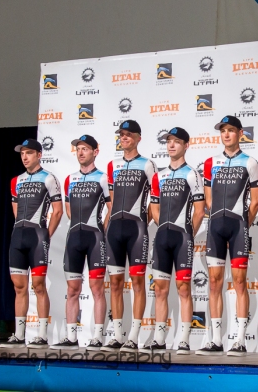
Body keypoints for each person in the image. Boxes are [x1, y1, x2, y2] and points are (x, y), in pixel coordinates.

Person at [197, 115, 258, 356]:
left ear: (240, 133)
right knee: (214, 283)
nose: (226, 134)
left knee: (239, 283)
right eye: (223, 130)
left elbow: (255, 203)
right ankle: (215, 339)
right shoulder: (210, 162)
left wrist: (243, 224)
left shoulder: (250, 162)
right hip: (215, 227)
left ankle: (241, 340)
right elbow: (207, 200)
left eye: (231, 130)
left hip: (238, 227)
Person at [50, 135, 111, 351]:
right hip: (73, 239)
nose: (81, 152)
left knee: (96, 290)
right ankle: (71, 337)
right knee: (72, 289)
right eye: (78, 149)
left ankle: (97, 337)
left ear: (95, 151)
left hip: (95, 239)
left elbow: (111, 208)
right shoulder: (70, 179)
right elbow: (68, 210)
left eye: (85, 148)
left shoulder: (103, 178)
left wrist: (101, 230)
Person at [101, 120, 157, 352]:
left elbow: (155, 201)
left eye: (128, 135)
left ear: (138, 138)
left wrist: (144, 224)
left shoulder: (148, 164)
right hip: (114, 229)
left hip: (137, 229)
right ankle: (117, 335)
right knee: (114, 283)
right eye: (121, 135)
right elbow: (112, 202)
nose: (124, 138)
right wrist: (106, 227)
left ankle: (134, 335)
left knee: (137, 282)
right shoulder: (112, 165)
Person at [148, 127, 205, 354]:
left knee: (183, 289)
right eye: (168, 141)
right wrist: (165, 227)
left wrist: (188, 233)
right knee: (160, 289)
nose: (171, 145)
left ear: (186, 146)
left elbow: (199, 211)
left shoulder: (192, 174)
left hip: (183, 237)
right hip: (162, 237)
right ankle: (159, 338)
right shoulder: (158, 176)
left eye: (176, 142)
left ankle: (184, 339)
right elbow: (154, 208)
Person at [1, 139, 63, 348]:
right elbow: (15, 210)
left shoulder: (49, 178)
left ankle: (42, 334)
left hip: (38, 238)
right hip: (18, 237)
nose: (25, 157)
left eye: (29, 153)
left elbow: (58, 211)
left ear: (39, 154)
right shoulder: (15, 181)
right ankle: (19, 334)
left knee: (38, 286)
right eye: (22, 154)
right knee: (19, 287)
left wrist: (46, 235)